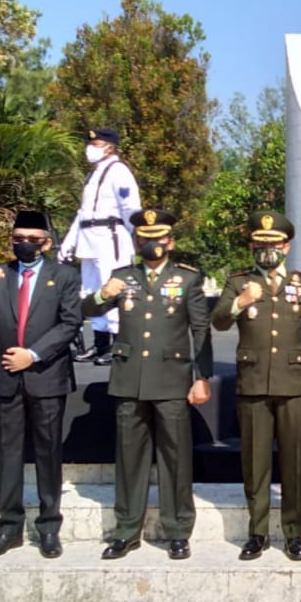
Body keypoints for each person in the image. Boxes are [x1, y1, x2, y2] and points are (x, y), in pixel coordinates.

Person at [81, 208, 213, 561]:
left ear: (170, 240)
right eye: (144, 238)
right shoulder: (122, 276)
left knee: (175, 459)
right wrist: (102, 293)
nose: (151, 243)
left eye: (158, 238)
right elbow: (86, 311)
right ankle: (126, 531)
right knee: (129, 460)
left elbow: (200, 330)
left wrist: (201, 377)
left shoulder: (187, 279)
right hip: (129, 380)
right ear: (137, 241)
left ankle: (178, 531)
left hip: (172, 379)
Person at [0, 211, 81, 560]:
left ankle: (49, 528)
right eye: (18, 238)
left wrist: (33, 355)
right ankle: (9, 529)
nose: (24, 244)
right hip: (3, 376)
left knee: (47, 453)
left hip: (46, 375)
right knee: (7, 456)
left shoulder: (64, 275)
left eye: (33, 239)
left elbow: (70, 324)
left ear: (47, 243)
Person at [211, 211, 301, 562]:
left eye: (273, 245)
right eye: (260, 245)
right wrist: (240, 302)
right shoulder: (238, 281)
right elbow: (217, 321)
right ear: (251, 247)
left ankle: (293, 533)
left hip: (293, 383)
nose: (267, 250)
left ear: (286, 246)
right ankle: (257, 532)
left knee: (294, 463)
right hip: (254, 382)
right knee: (255, 462)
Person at [59, 127, 142, 365]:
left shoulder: (119, 172)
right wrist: (69, 242)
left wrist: (132, 236)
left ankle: (117, 344)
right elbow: (82, 213)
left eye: (96, 145)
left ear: (109, 147)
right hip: (88, 237)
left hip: (110, 236)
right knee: (91, 290)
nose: (90, 149)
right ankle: (100, 343)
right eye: (90, 143)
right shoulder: (93, 174)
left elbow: (130, 208)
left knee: (112, 290)